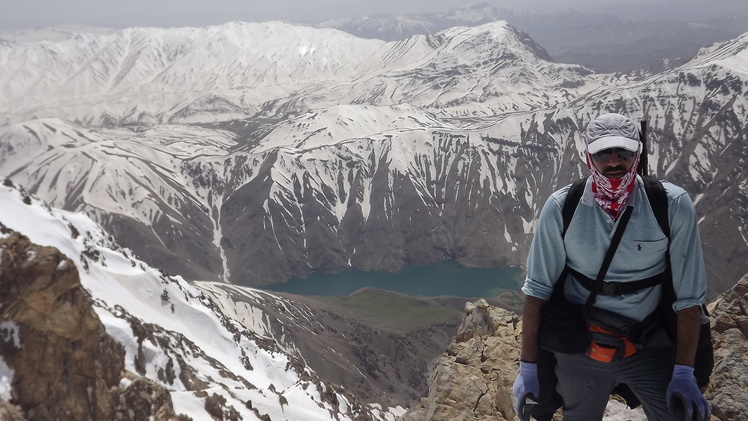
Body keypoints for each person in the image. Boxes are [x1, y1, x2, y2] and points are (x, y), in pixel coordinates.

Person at [512, 113, 711, 420]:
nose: (614, 161)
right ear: (588, 156)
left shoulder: (671, 205)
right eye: (603, 152)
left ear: (638, 154)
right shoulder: (562, 207)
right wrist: (528, 367)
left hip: (647, 346)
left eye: (625, 153)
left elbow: (688, 298)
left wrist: (684, 371)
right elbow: (538, 291)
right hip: (580, 348)